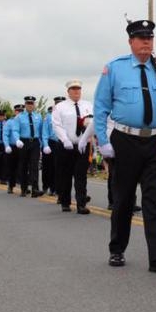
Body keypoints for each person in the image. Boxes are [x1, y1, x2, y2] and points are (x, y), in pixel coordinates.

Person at [94, 19, 156, 273]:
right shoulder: (115, 68)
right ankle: (117, 249)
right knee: (123, 199)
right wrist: (103, 142)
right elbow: (100, 108)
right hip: (125, 141)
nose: (146, 42)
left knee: (152, 200)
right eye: (141, 37)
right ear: (131, 41)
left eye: (150, 38)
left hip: (155, 140)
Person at [52, 80, 94, 214]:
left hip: (82, 145)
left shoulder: (88, 105)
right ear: (68, 91)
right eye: (73, 89)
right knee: (65, 175)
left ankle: (81, 204)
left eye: (78, 89)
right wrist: (64, 140)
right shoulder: (60, 107)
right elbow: (57, 125)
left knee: (81, 176)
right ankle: (65, 202)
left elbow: (92, 123)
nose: (76, 92)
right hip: (66, 146)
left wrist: (86, 138)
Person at [11, 96, 47, 198]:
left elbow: (41, 131)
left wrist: (43, 144)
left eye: (32, 103)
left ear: (34, 105)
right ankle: (24, 188)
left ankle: (35, 189)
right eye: (28, 103)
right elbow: (15, 130)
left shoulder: (38, 116)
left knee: (34, 166)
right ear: (25, 105)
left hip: (35, 142)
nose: (30, 105)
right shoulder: (19, 117)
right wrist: (17, 139)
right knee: (23, 166)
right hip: (23, 142)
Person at [3, 104, 23, 191]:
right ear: (15, 112)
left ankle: (24, 187)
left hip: (23, 147)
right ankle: (11, 185)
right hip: (12, 147)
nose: (20, 113)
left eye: (22, 111)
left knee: (23, 167)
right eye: (18, 111)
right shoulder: (9, 122)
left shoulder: (24, 121)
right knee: (11, 167)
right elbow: (5, 135)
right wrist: (7, 145)